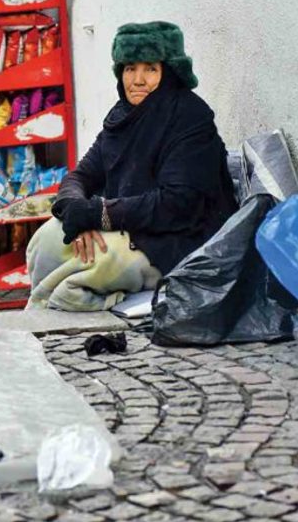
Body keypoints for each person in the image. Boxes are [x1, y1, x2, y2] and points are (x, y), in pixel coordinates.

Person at [26, 21, 238, 312]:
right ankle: (41, 312)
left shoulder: (190, 118)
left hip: (175, 240)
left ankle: (68, 313)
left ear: (169, 72)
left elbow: (178, 204)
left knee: (79, 275)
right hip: (129, 226)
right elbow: (82, 174)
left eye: (150, 68)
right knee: (46, 241)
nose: (137, 80)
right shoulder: (122, 116)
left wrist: (100, 214)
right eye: (129, 68)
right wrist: (74, 208)